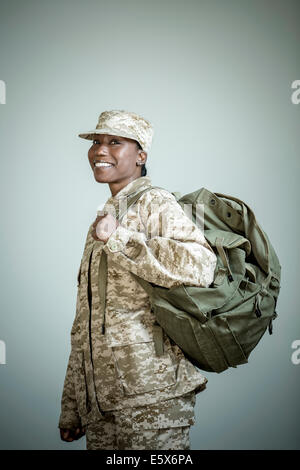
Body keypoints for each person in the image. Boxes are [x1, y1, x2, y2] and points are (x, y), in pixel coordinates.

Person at [58, 109, 217, 450]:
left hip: (152, 399)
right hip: (102, 404)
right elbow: (87, 319)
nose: (100, 151)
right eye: (97, 142)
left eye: (115, 142)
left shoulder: (155, 202)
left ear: (141, 155)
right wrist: (73, 404)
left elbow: (201, 266)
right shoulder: (107, 213)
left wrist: (121, 239)